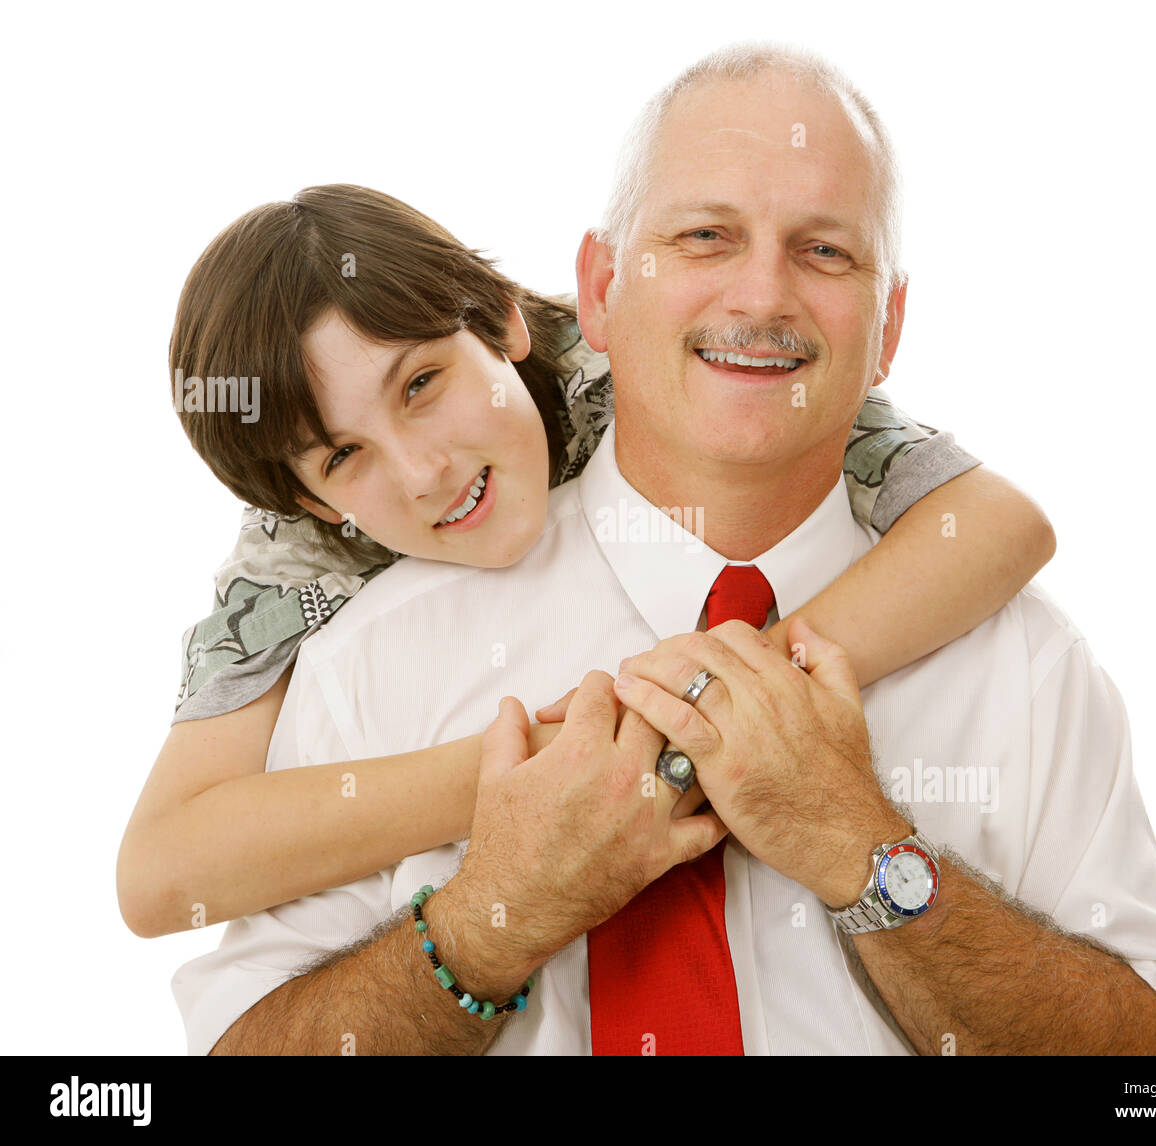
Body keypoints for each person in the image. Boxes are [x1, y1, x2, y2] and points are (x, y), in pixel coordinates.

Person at [173, 43, 1156, 1056]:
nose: (761, 298)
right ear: (597, 290)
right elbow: (166, 893)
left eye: (823, 250)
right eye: (704, 238)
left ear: (888, 329)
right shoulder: (359, 658)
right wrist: (497, 917)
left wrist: (867, 851)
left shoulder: (1023, 665)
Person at [117, 184, 1054, 938]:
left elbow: (1000, 523)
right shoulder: (296, 549)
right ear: (315, 502)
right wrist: (529, 769)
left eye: (423, 384)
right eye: (344, 456)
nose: (423, 470)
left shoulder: (636, 354)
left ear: (503, 325)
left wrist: (716, 698)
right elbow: (160, 877)